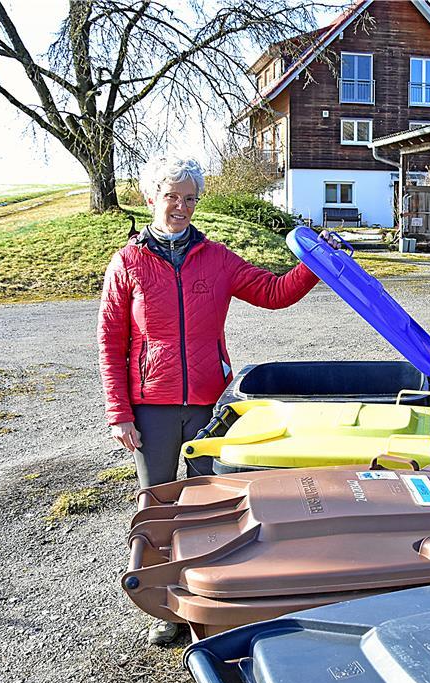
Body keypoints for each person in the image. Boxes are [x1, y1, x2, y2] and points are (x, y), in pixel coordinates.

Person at [97, 155, 319, 644]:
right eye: (172, 197)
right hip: (150, 407)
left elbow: (273, 291)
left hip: (207, 403)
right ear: (152, 197)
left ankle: (211, 602)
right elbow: (111, 341)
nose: (180, 207)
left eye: (190, 198)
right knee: (159, 505)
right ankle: (166, 609)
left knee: (211, 505)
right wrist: (119, 413)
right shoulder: (128, 263)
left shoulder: (217, 258)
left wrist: (315, 265)